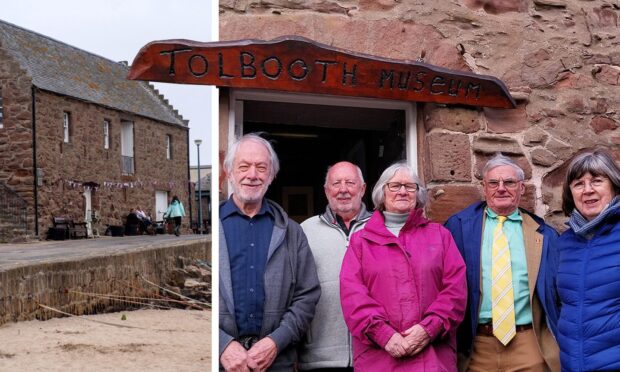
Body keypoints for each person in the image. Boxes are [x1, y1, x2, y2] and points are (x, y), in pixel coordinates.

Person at [340, 162, 467, 371]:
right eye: (395, 185)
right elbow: (353, 296)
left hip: (432, 359)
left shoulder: (440, 236)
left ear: (418, 194)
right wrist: (384, 335)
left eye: (410, 187)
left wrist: (428, 329)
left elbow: (455, 291)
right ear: (382, 192)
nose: (402, 191)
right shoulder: (360, 242)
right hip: (379, 360)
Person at [444, 153, 560, 371]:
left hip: (528, 345)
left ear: (522, 188)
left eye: (509, 182)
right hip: (476, 346)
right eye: (493, 183)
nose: (501, 188)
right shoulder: (458, 227)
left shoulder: (544, 234)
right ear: (484, 188)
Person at [219, 133, 321, 371]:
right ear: (229, 172)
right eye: (244, 166)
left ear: (272, 175)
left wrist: (276, 342)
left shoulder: (292, 233)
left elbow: (307, 295)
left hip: (277, 363)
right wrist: (222, 344)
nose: (252, 175)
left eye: (261, 167)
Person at [299, 161, 372, 371]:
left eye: (350, 182)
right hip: (319, 358)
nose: (343, 190)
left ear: (363, 188)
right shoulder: (305, 231)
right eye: (336, 183)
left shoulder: (381, 228)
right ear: (326, 190)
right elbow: (294, 292)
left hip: (376, 354)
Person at [555, 149, 620, 371]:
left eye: (597, 181)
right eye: (578, 184)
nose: (588, 190)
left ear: (614, 185)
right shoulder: (564, 243)